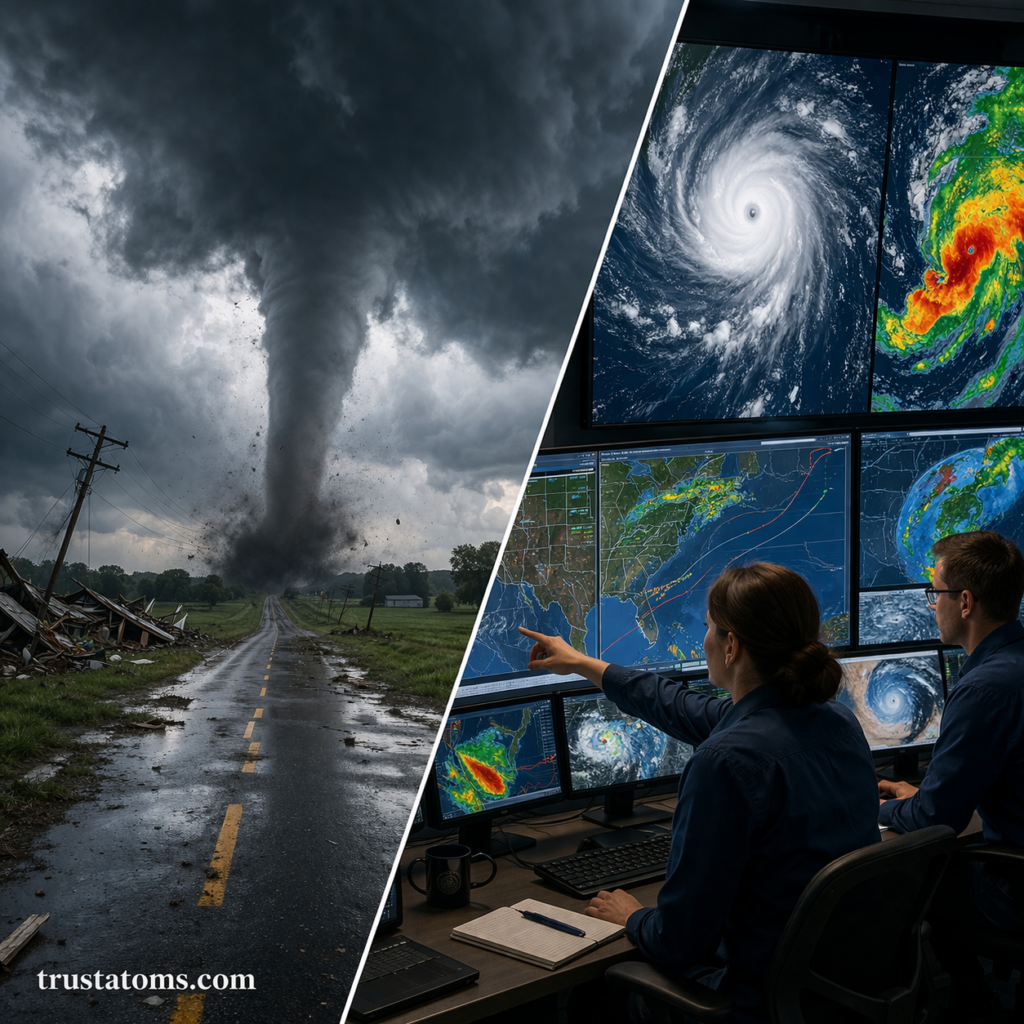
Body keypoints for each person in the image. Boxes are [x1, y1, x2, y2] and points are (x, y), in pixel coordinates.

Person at [520, 563, 879, 1024]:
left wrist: (632, 915)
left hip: (751, 998)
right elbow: (677, 704)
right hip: (832, 989)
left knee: (596, 989)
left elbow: (679, 941)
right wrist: (581, 663)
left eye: (708, 628)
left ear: (731, 646)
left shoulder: (725, 763)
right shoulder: (837, 723)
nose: (703, 638)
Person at [877, 530, 1024, 1018]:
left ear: (964, 602)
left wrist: (879, 808)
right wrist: (923, 796)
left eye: (933, 593)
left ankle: (965, 1004)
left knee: (922, 879)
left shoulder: (984, 689)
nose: (929, 605)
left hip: (1015, 890)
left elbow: (937, 818)